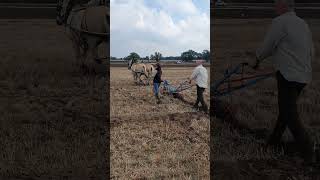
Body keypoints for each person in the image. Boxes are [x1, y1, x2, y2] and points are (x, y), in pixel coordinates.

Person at [250, 0, 315, 163]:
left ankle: (308, 149)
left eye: (276, 4)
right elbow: (312, 50)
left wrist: (257, 59)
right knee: (286, 110)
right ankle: (273, 142)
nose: (274, 7)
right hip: (303, 75)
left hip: (288, 75)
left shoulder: (280, 22)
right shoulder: (303, 23)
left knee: (289, 113)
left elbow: (269, 45)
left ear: (284, 6)